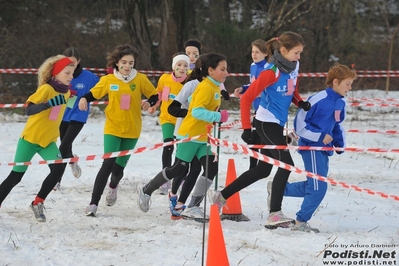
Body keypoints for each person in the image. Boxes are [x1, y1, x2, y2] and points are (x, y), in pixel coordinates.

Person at [212, 31, 311, 229]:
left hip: (277, 122)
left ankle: (221, 196)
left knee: (262, 169)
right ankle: (275, 213)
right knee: (285, 165)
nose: (299, 57)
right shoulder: (270, 72)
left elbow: (291, 89)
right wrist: (247, 128)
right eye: (296, 53)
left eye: (300, 53)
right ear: (283, 51)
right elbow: (247, 98)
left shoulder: (293, 66)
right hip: (266, 123)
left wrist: (299, 102)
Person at [137, 53, 229, 220]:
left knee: (210, 168)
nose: (226, 73)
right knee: (179, 169)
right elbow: (196, 111)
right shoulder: (204, 86)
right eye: (223, 69)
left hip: (202, 136)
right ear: (210, 70)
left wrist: (217, 116)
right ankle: (147, 189)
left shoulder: (215, 86)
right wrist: (217, 117)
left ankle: (191, 205)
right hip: (189, 134)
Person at [79, 44, 159, 217]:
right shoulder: (108, 80)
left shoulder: (140, 79)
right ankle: (93, 203)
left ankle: (113, 187)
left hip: (132, 129)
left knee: (118, 170)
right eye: (124, 62)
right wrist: (84, 99)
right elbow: (93, 93)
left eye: (131, 62)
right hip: (112, 128)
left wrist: (149, 103)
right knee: (107, 164)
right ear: (116, 62)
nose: (127, 66)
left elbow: (154, 95)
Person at [277, 63, 357, 232]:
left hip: (325, 150)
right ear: (335, 82)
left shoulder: (340, 103)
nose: (350, 88)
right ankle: (300, 222)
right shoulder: (318, 99)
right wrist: (320, 136)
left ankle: (279, 189)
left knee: (313, 186)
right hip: (311, 148)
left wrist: (339, 142)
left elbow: (336, 125)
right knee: (319, 188)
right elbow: (300, 125)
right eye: (347, 84)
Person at [0, 55, 75, 222]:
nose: (71, 76)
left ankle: (37, 203)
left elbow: (61, 112)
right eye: (67, 73)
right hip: (30, 140)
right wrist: (47, 104)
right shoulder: (46, 89)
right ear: (55, 74)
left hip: (48, 142)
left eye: (72, 73)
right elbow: (28, 110)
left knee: (57, 169)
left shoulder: (67, 91)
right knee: (16, 176)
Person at [54, 47, 100, 190]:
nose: (70, 65)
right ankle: (72, 160)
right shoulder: (58, 74)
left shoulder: (89, 77)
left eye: (73, 62)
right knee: (65, 145)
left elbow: (103, 86)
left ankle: (56, 179)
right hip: (62, 114)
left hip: (78, 115)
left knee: (63, 147)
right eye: (67, 62)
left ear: (79, 61)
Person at [156, 53, 191, 195]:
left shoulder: (189, 82)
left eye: (185, 65)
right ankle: (165, 179)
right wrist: (154, 105)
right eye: (179, 65)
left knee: (180, 149)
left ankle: (179, 177)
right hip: (166, 118)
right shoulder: (164, 78)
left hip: (182, 120)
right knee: (168, 146)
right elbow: (159, 94)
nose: (182, 68)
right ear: (173, 66)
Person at [234, 39, 269, 169]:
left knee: (262, 140)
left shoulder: (267, 68)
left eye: (257, 52)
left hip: (265, 109)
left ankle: (260, 168)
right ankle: (253, 168)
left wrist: (252, 93)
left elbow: (264, 89)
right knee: (253, 140)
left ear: (265, 53)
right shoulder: (253, 66)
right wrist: (243, 88)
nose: (254, 54)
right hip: (256, 109)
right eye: (253, 51)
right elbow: (253, 85)